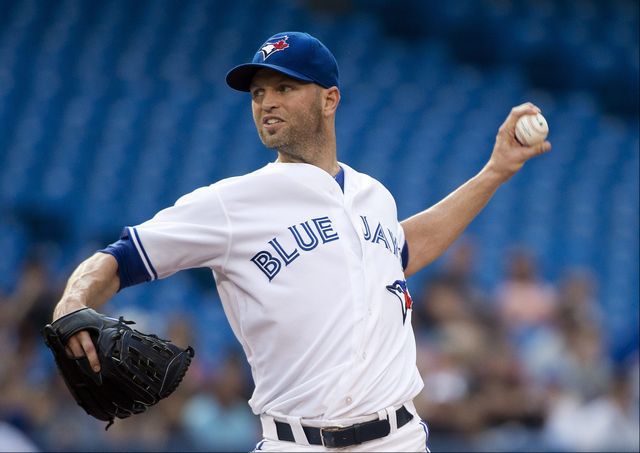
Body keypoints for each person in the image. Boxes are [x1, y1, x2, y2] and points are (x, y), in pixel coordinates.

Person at [51, 31, 552, 452]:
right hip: (296, 442)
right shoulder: (232, 204)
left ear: (329, 98)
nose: (266, 102)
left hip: (397, 439)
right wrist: (73, 303)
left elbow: (402, 252)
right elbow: (118, 259)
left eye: (284, 87)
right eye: (257, 93)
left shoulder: (372, 195)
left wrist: (494, 171)